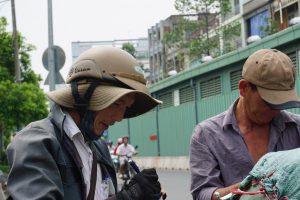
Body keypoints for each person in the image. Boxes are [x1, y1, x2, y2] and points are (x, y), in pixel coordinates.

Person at [6, 46, 162, 200]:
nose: (120, 117)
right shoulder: (36, 143)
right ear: (84, 96)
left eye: (126, 107)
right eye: (116, 103)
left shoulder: (100, 149)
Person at [189, 49, 300, 200]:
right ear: (244, 88)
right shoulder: (206, 135)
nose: (275, 109)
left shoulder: (296, 127)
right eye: (269, 101)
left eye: (282, 103)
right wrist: (248, 190)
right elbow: (202, 193)